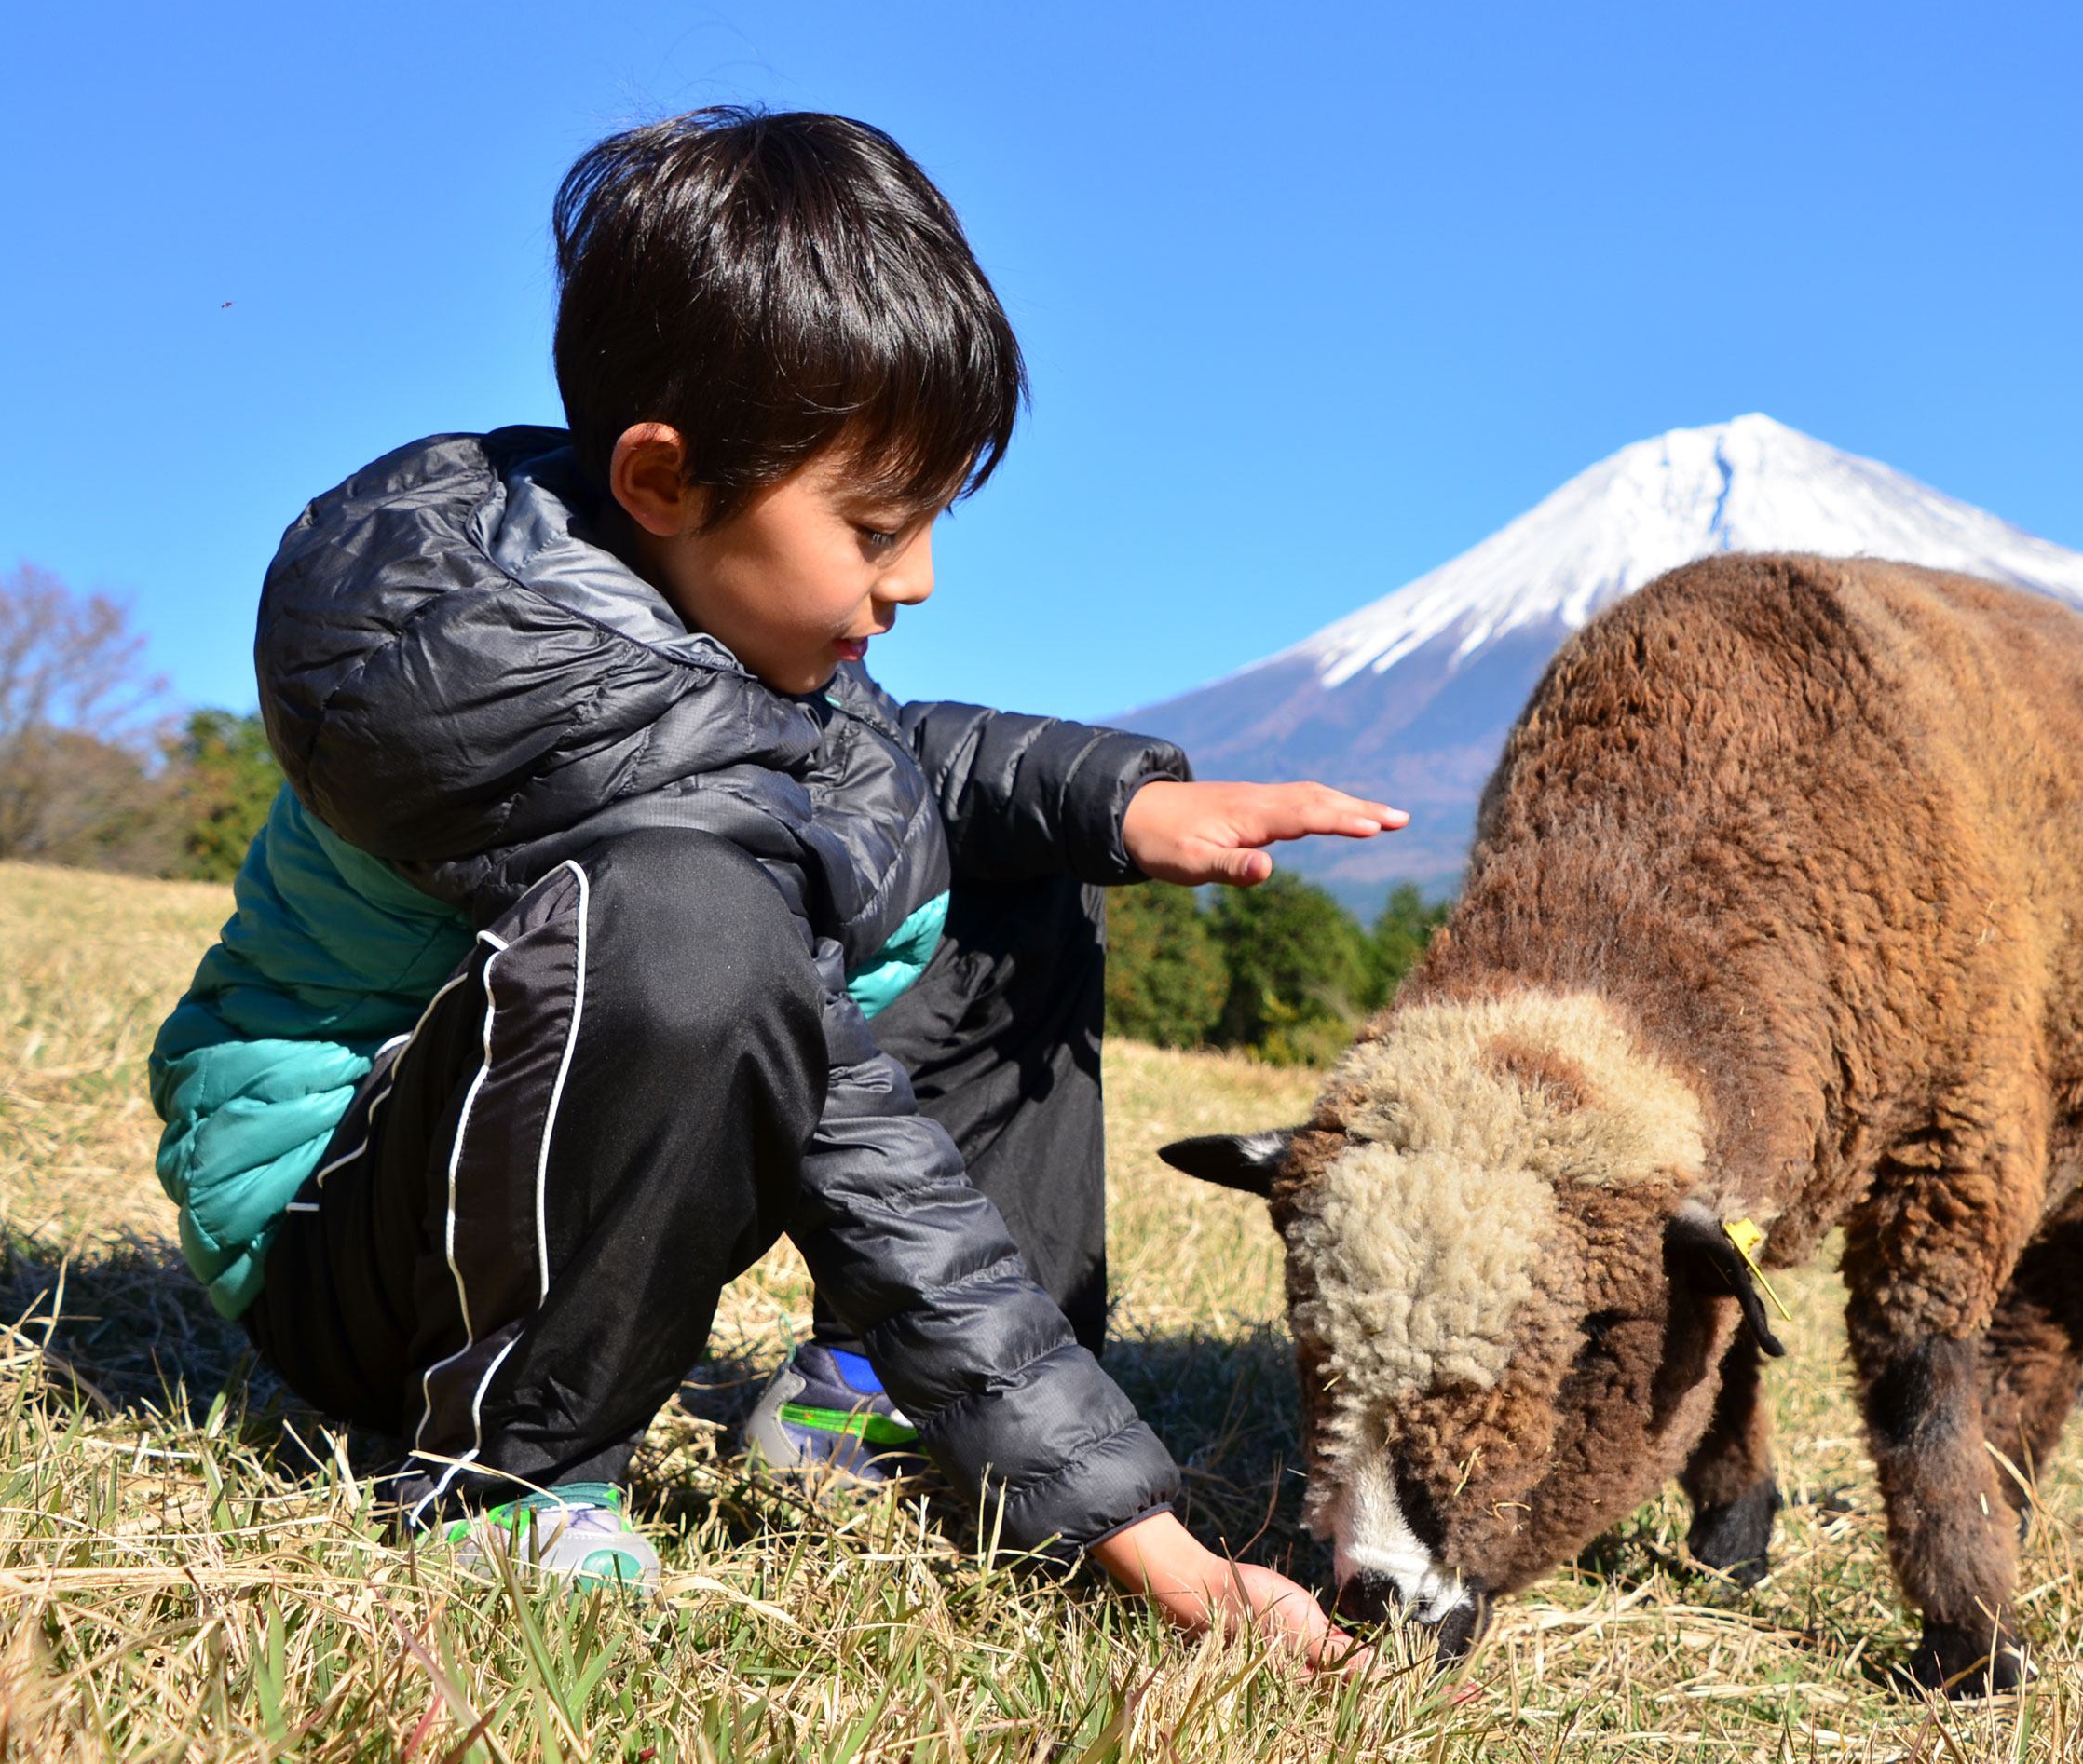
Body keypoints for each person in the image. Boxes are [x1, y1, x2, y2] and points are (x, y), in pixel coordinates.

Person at [145, 106, 1401, 1667]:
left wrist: (1124, 798)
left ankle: (859, 1399)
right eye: (876, 525)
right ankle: (508, 1470)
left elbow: (881, 772)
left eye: (934, 517)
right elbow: (850, 1123)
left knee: (990, 866)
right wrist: (1146, 1539)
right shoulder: (504, 688)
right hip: (355, 1237)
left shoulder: (660, 600)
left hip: (529, 1152)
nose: (919, 575)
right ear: (664, 480)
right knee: (697, 927)